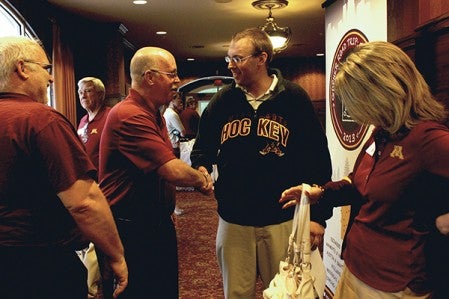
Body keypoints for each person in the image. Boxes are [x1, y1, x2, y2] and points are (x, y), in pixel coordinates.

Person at [279, 41, 449, 299]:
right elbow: (360, 183)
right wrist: (319, 193)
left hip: (394, 284)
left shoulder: (430, 140)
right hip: (355, 266)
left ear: (383, 92)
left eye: (355, 99)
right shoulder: (383, 133)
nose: (353, 110)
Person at [190, 27, 332, 298]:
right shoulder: (223, 101)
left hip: (281, 219)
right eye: (228, 59)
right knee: (236, 294)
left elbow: (317, 158)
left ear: (261, 58)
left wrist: (319, 217)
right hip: (233, 220)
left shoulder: (294, 98)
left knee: (286, 292)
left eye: (238, 59)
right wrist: (201, 168)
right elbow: (202, 148)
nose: (231, 66)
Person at [0, 36, 128, 299]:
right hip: (36, 261)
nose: (52, 79)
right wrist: (116, 255)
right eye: (46, 69)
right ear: (22, 69)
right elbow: (84, 202)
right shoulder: (40, 119)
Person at [99, 46, 214, 299]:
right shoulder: (129, 115)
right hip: (131, 231)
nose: (177, 81)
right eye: (171, 74)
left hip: (151, 223)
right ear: (150, 77)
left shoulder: (154, 113)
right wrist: (202, 180)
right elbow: (171, 170)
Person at [76, 77, 111, 299]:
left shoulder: (109, 118)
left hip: (105, 186)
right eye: (80, 92)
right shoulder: (82, 121)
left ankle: (97, 286)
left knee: (100, 237)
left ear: (100, 94)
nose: (83, 96)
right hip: (86, 185)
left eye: (87, 91)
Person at [163, 92, 186, 215]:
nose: (181, 104)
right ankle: (174, 206)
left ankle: (173, 206)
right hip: (174, 147)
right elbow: (183, 132)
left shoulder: (166, 113)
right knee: (173, 178)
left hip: (170, 145)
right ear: (172, 101)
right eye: (179, 101)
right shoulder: (173, 115)